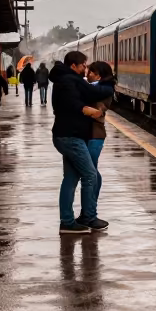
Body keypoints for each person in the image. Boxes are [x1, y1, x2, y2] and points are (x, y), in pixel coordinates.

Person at [48, 51, 111, 234]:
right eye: (84, 65)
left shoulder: (64, 80)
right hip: (71, 136)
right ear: (73, 66)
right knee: (90, 175)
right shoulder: (70, 81)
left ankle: (68, 221)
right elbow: (76, 102)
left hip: (66, 135)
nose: (86, 68)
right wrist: (87, 110)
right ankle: (86, 218)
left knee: (70, 178)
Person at [84, 60, 115, 209]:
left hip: (96, 135)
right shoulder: (92, 87)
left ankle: (91, 206)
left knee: (91, 171)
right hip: (87, 134)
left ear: (98, 76)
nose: (87, 74)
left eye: (91, 72)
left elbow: (98, 112)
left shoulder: (106, 90)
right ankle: (90, 206)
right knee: (91, 171)